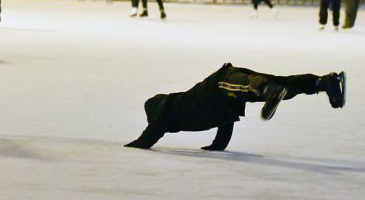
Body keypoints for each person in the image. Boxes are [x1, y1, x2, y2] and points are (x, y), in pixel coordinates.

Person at [124, 63, 346, 150]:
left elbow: (150, 135)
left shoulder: (168, 109)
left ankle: (268, 90)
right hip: (226, 99)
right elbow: (225, 124)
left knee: (256, 86)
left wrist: (134, 145)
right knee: (282, 83)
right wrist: (218, 146)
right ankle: (322, 82)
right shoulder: (186, 118)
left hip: (218, 86)